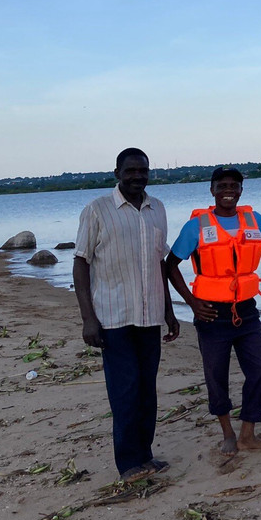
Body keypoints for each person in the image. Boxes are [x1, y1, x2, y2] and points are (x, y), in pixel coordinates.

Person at [165, 166, 261, 456]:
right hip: (210, 314)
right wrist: (191, 302)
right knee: (216, 376)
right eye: (222, 186)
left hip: (247, 311)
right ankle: (227, 433)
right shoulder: (196, 226)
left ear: (240, 191)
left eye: (234, 186)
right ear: (212, 190)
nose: (228, 191)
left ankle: (248, 433)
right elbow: (170, 265)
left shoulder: (253, 219)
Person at [73, 148, 180, 482]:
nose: (137, 176)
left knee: (147, 390)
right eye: (131, 170)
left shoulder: (157, 209)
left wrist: (170, 311)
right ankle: (128, 463)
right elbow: (80, 263)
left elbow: (159, 264)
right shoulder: (97, 211)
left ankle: (145, 455)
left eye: (143, 170)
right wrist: (88, 318)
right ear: (117, 172)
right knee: (125, 390)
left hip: (149, 318)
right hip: (112, 319)